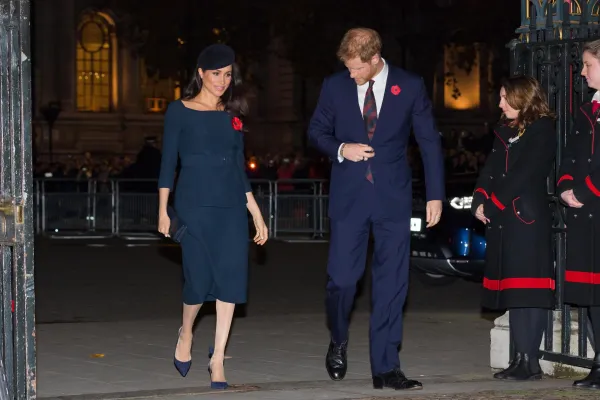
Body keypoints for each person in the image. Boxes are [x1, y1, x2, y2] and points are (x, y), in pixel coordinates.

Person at [308, 27, 445, 390]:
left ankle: (386, 367)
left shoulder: (410, 85)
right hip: (349, 198)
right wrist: (342, 148)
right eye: (347, 67)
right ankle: (338, 337)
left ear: (374, 59)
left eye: (356, 68)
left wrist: (435, 194)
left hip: (392, 198)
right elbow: (316, 131)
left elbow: (428, 140)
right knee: (341, 280)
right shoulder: (334, 86)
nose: (351, 74)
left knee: (392, 283)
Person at [157, 44, 269, 389]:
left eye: (228, 74)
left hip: (231, 208)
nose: (222, 80)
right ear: (201, 73)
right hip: (193, 205)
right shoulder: (179, 111)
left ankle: (217, 359)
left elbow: (238, 167)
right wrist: (163, 209)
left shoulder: (232, 116)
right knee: (198, 280)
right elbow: (168, 163)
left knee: (231, 279)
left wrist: (255, 212)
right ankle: (186, 331)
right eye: (216, 73)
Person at [471, 75, 556, 381]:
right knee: (515, 292)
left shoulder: (542, 128)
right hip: (505, 221)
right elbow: (491, 169)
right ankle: (519, 358)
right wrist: (479, 199)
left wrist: (493, 204)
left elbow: (524, 174)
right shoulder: (505, 130)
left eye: (505, 97)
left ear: (522, 97)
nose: (500, 103)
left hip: (527, 220)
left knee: (530, 292)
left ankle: (530, 361)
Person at [556, 38, 600, 390]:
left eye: (588, 65)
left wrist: (584, 192)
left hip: (595, 205)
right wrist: (566, 187)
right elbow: (570, 155)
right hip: (585, 216)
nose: (582, 72)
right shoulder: (587, 109)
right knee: (592, 295)